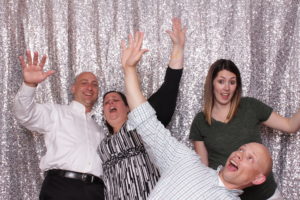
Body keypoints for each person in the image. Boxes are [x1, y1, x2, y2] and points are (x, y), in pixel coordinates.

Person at [119, 31, 273, 200]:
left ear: (258, 179)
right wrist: (129, 69)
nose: (239, 154)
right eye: (241, 149)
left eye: (250, 158)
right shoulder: (186, 162)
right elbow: (146, 122)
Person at [98, 18, 186, 199]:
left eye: (115, 100)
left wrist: (178, 48)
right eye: (106, 103)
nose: (110, 104)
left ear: (129, 107)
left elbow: (169, 87)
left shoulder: (141, 125)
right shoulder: (101, 146)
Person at [189, 59, 300, 200]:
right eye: (221, 81)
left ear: (237, 85)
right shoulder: (200, 121)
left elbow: (290, 125)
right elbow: (203, 170)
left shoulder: (250, 106)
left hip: (267, 196)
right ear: (212, 83)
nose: (226, 88)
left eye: (232, 82)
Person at [14, 50, 105, 200]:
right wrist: (29, 84)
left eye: (94, 84)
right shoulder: (56, 113)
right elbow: (25, 114)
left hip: (95, 192)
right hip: (61, 188)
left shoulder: (99, 130)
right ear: (73, 88)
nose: (90, 87)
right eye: (84, 83)